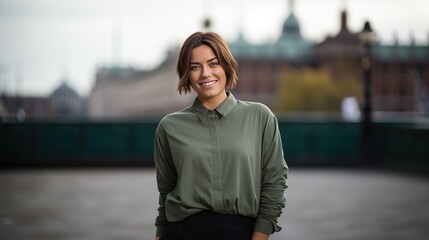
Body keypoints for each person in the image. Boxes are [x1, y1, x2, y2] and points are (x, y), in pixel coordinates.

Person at [154, 31, 288, 240]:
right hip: (181, 232)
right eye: (195, 67)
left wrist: (260, 235)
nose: (205, 73)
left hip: (239, 231)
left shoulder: (260, 116)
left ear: (226, 65)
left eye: (213, 63)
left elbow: (274, 184)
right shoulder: (169, 127)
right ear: (186, 74)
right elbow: (165, 194)